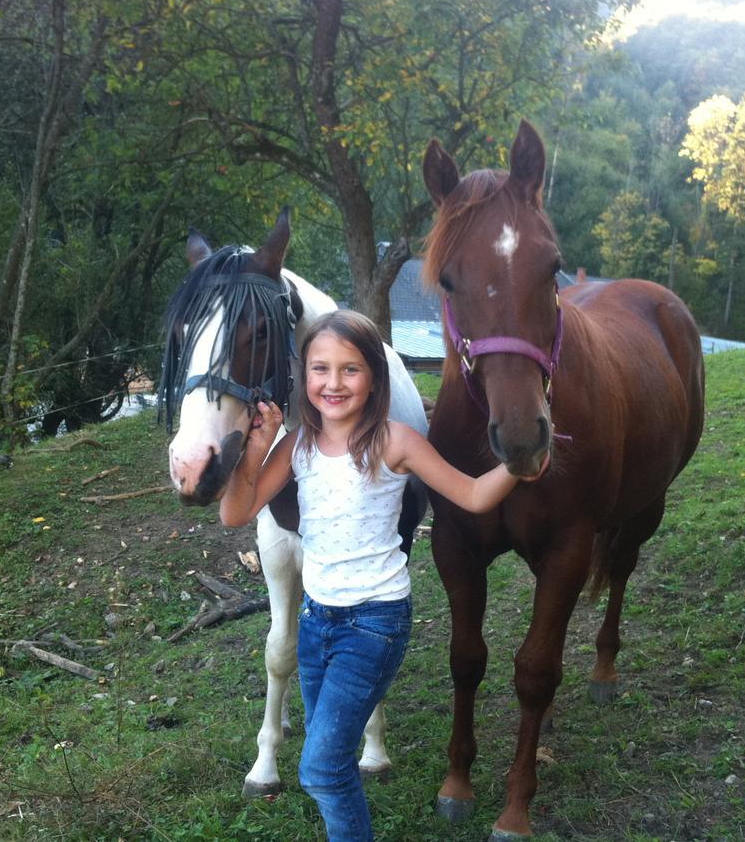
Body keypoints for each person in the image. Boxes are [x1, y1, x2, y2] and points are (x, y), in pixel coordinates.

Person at [220, 309, 520, 842]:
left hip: (374, 624)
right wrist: (253, 451)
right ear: (303, 374)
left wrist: (517, 466)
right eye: (320, 368)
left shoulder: (394, 441)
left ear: (376, 378)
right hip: (316, 622)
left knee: (319, 769)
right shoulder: (297, 446)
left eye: (350, 369)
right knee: (326, 755)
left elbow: (472, 495)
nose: (333, 383)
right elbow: (236, 512)